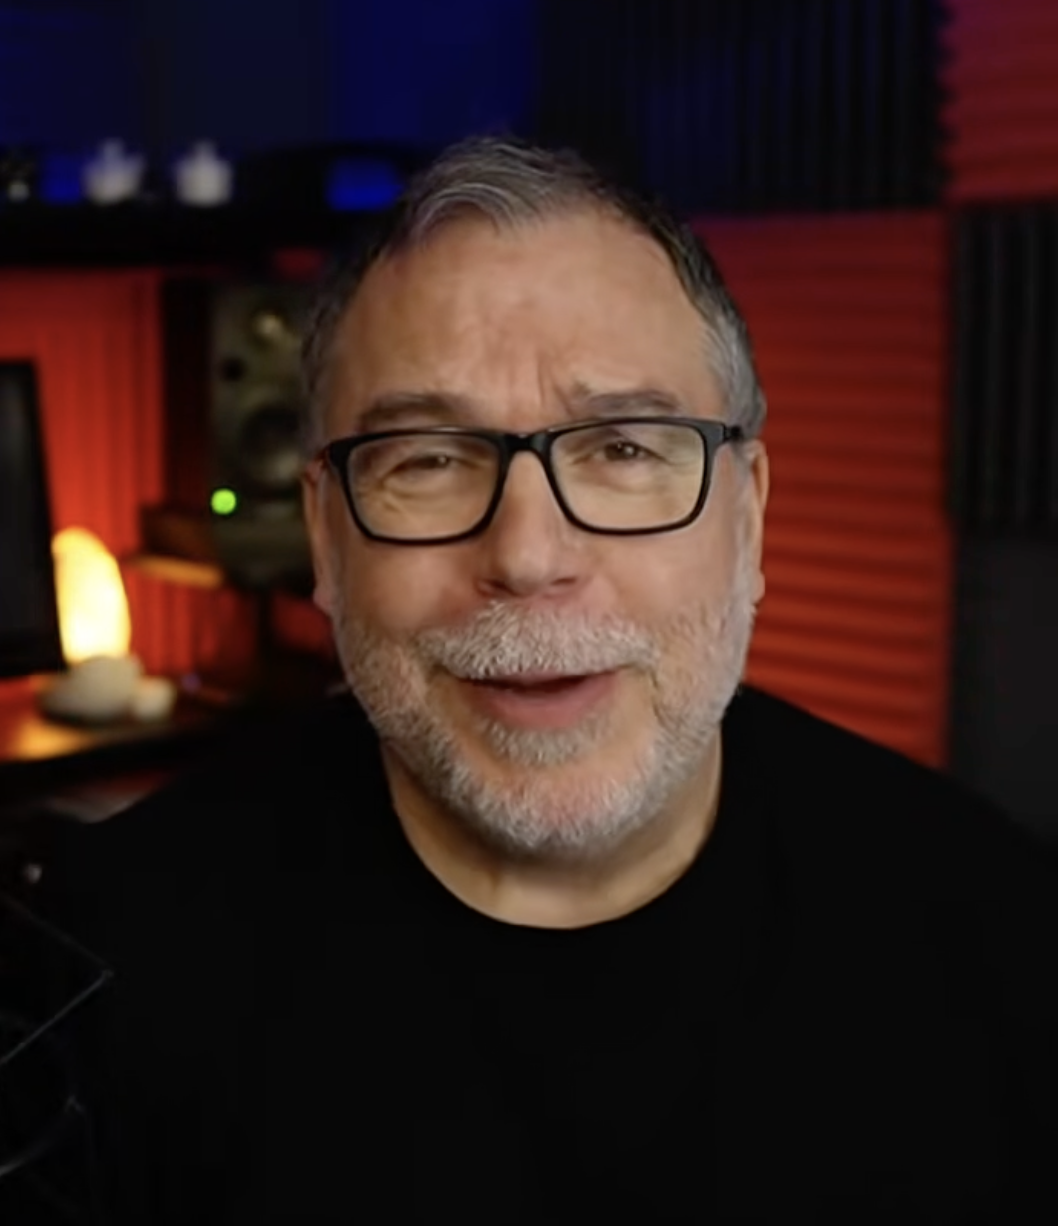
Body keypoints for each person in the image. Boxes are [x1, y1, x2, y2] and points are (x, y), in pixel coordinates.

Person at [38, 136, 1058, 1224]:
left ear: (746, 516)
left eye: (622, 448)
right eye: (427, 459)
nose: (528, 556)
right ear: (328, 543)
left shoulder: (1005, 943)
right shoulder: (101, 966)